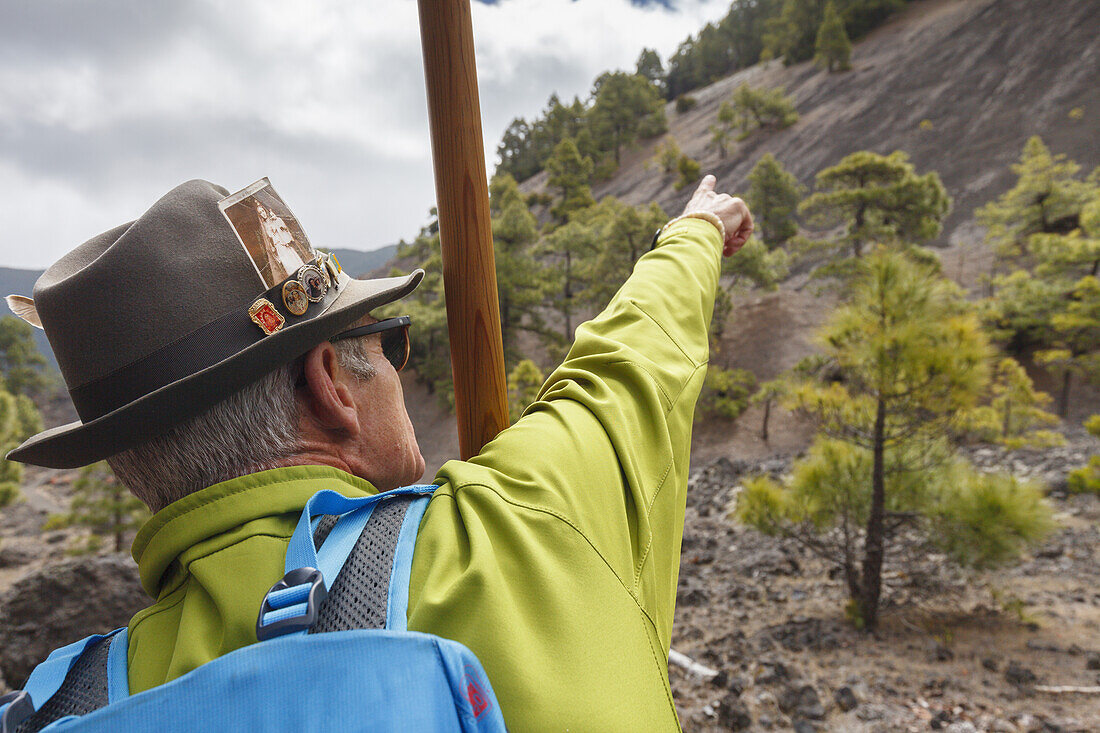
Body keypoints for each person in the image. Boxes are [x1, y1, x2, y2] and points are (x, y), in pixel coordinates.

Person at [8, 175, 751, 730]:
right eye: (387, 342)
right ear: (329, 382)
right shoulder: (515, 527)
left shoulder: (52, 706)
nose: (398, 366)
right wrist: (694, 233)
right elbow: (628, 366)